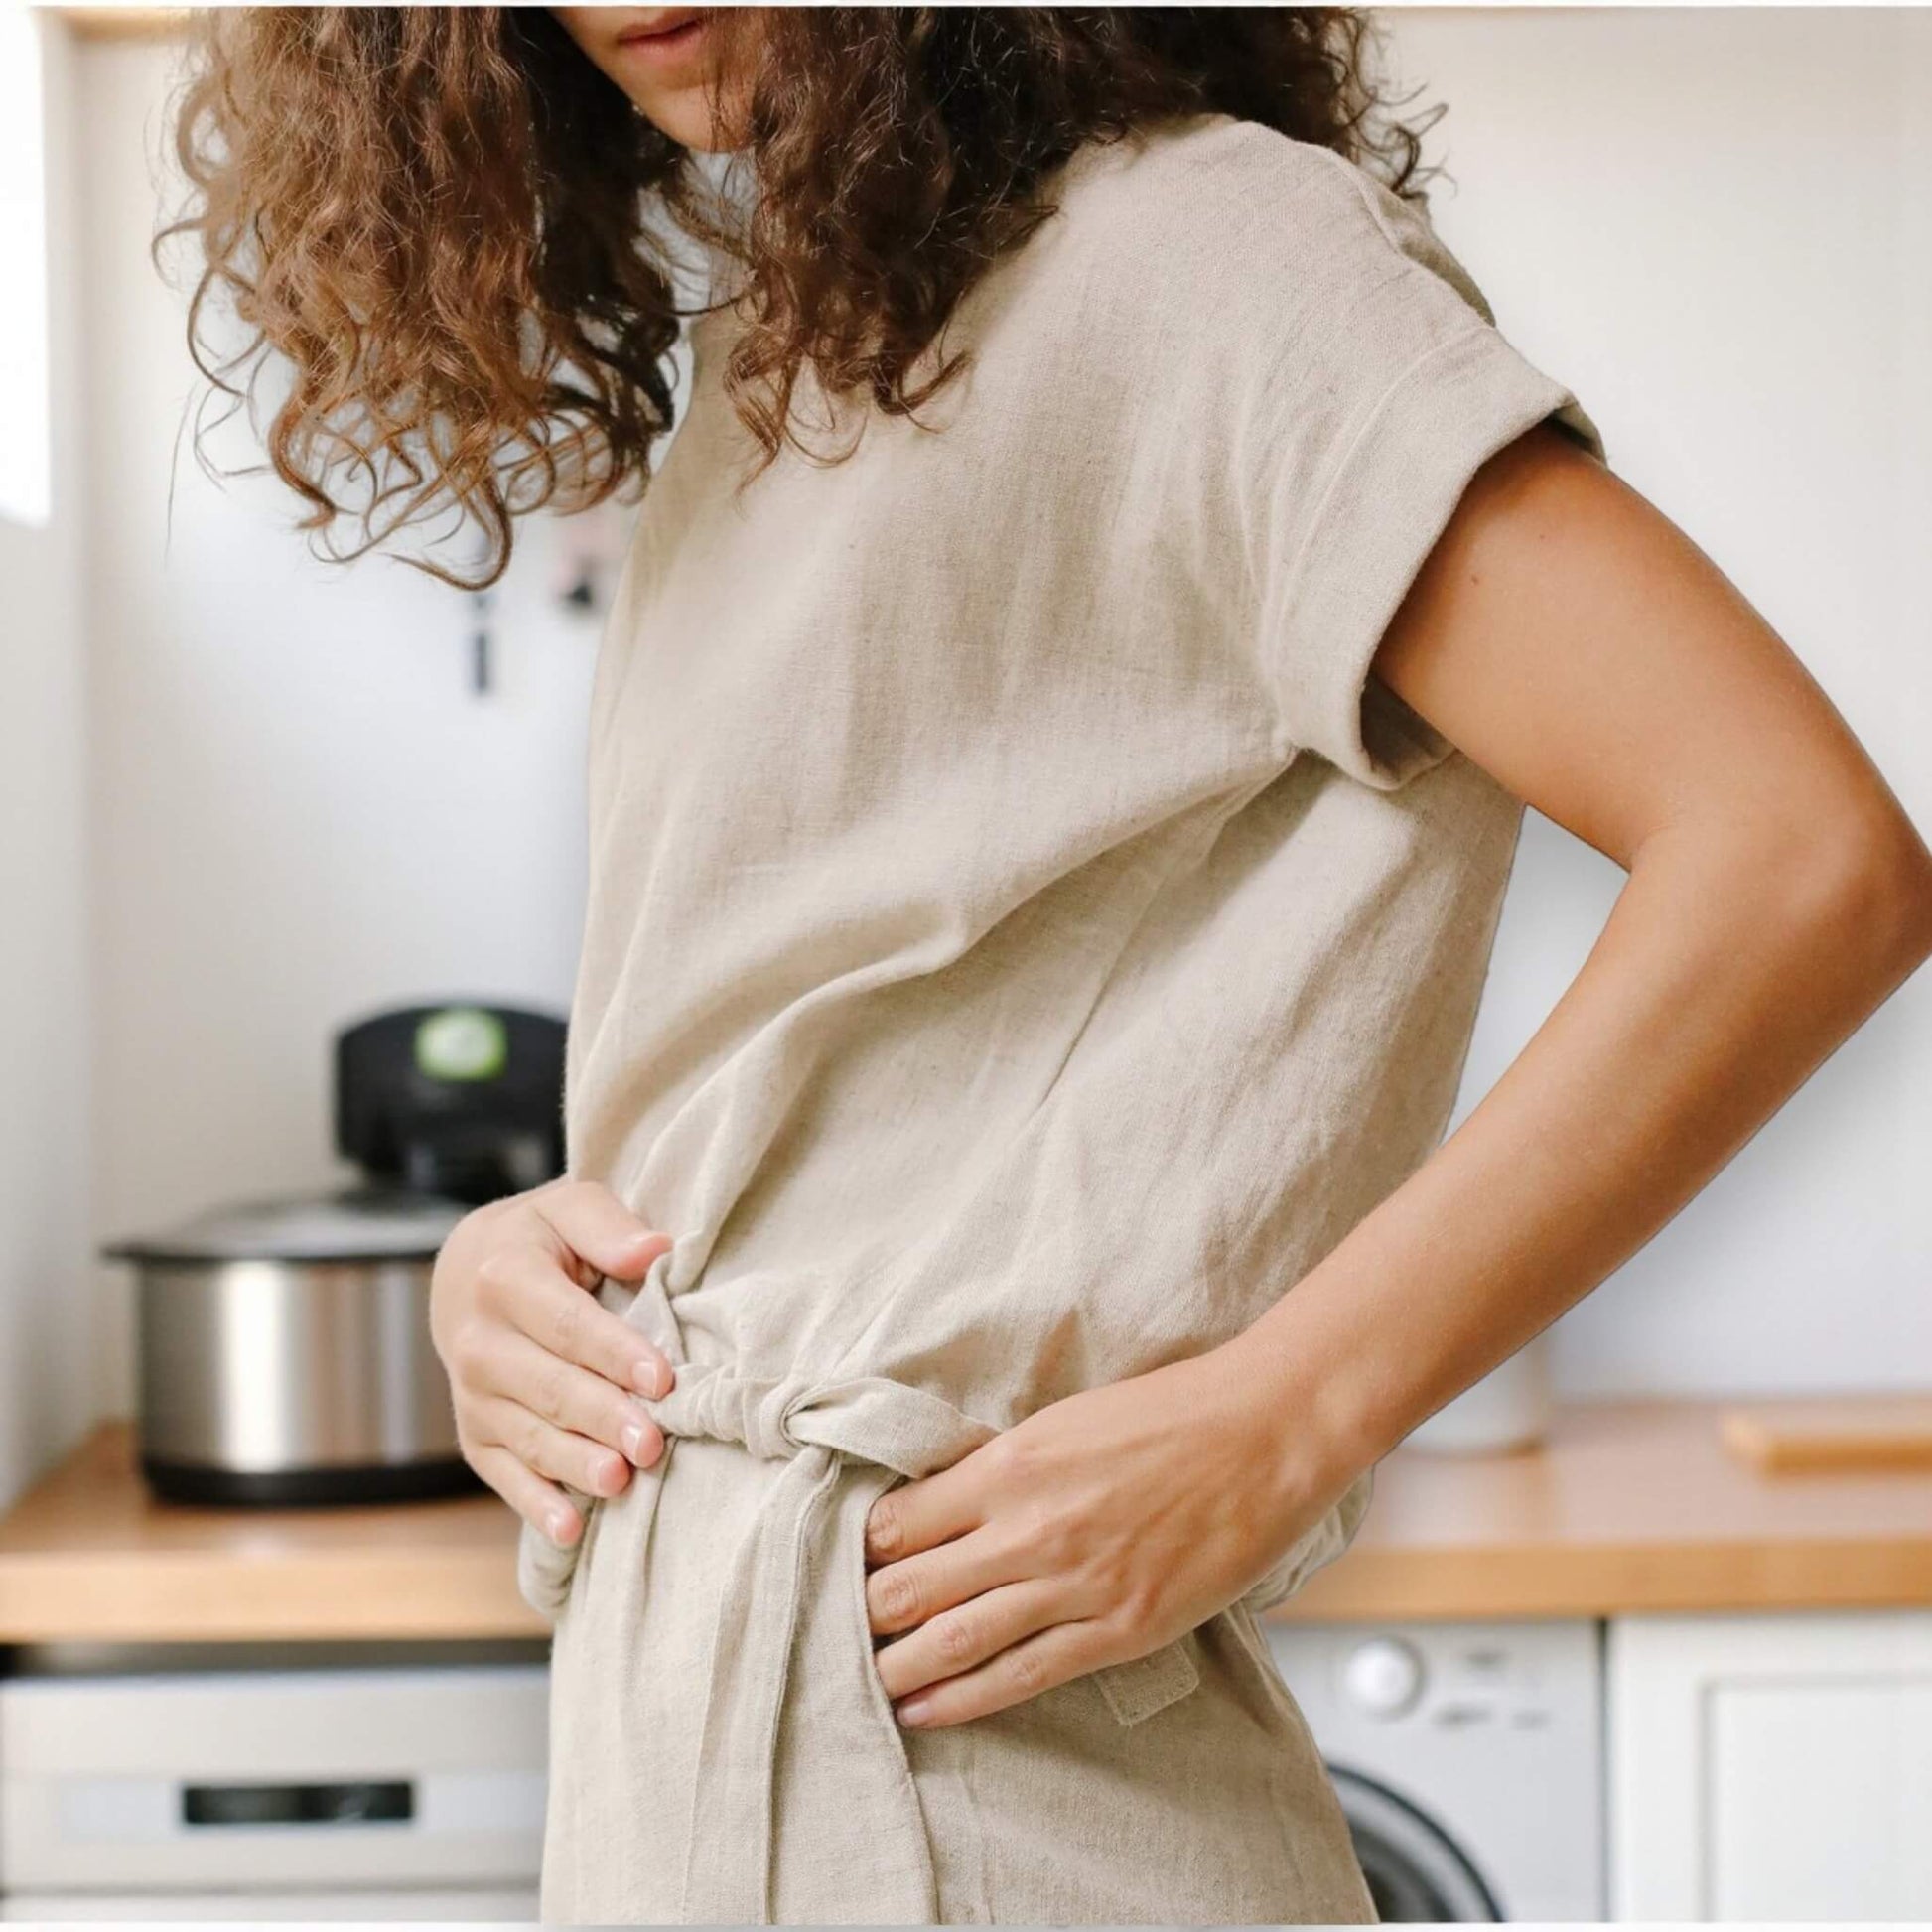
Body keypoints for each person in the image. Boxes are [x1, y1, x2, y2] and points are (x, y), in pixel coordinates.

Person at [168, 8, 1932, 1923]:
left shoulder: (1201, 257)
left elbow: (1796, 857)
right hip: (682, 1709)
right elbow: (852, 1030)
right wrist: (531, 1274)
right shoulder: (781, 357)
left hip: (957, 1748)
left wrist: (1294, 1411)